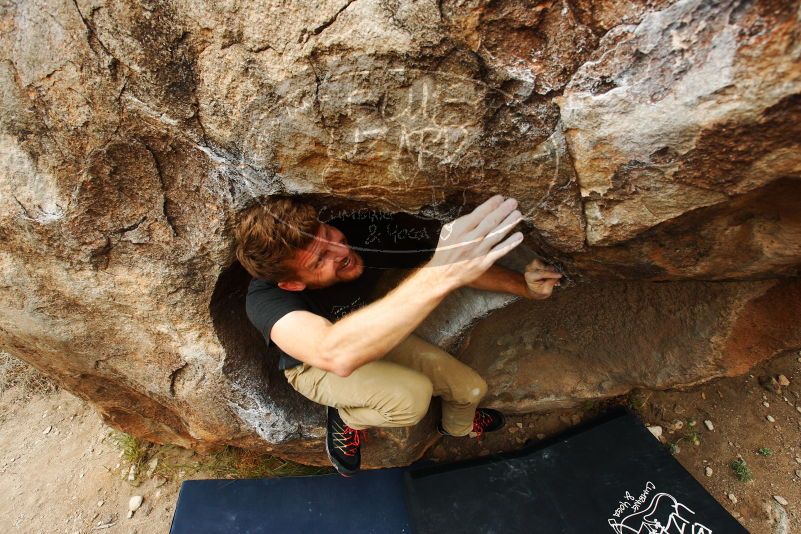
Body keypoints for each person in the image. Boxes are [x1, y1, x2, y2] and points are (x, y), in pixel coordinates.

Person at [235, 195, 562, 476]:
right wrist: (440, 277)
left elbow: (452, 264)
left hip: (372, 336)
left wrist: (527, 288)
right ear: (292, 284)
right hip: (316, 367)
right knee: (412, 397)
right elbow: (333, 353)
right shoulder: (265, 300)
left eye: (327, 233)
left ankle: (456, 428)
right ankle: (347, 414)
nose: (340, 250)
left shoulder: (361, 234)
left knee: (471, 388)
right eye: (320, 259)